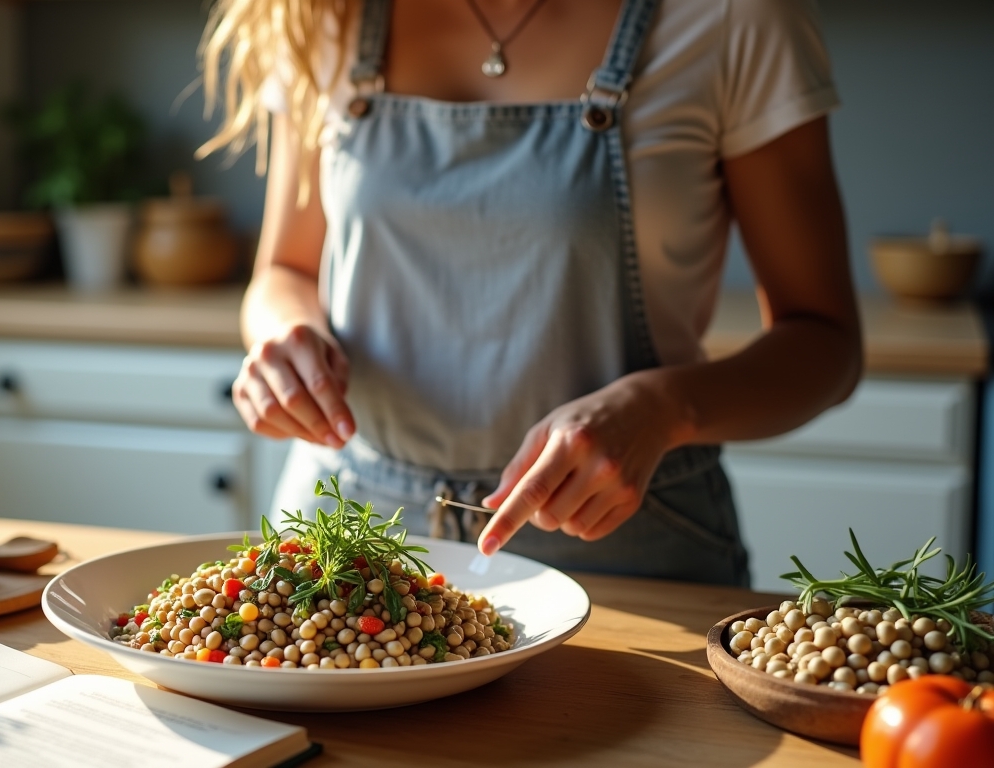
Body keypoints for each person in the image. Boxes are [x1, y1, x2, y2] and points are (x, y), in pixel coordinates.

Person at [200, 0, 861, 586]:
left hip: (623, 544)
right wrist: (284, 337)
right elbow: (285, 270)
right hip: (345, 522)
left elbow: (826, 341)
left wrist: (663, 407)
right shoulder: (322, 13)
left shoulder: (733, 17)